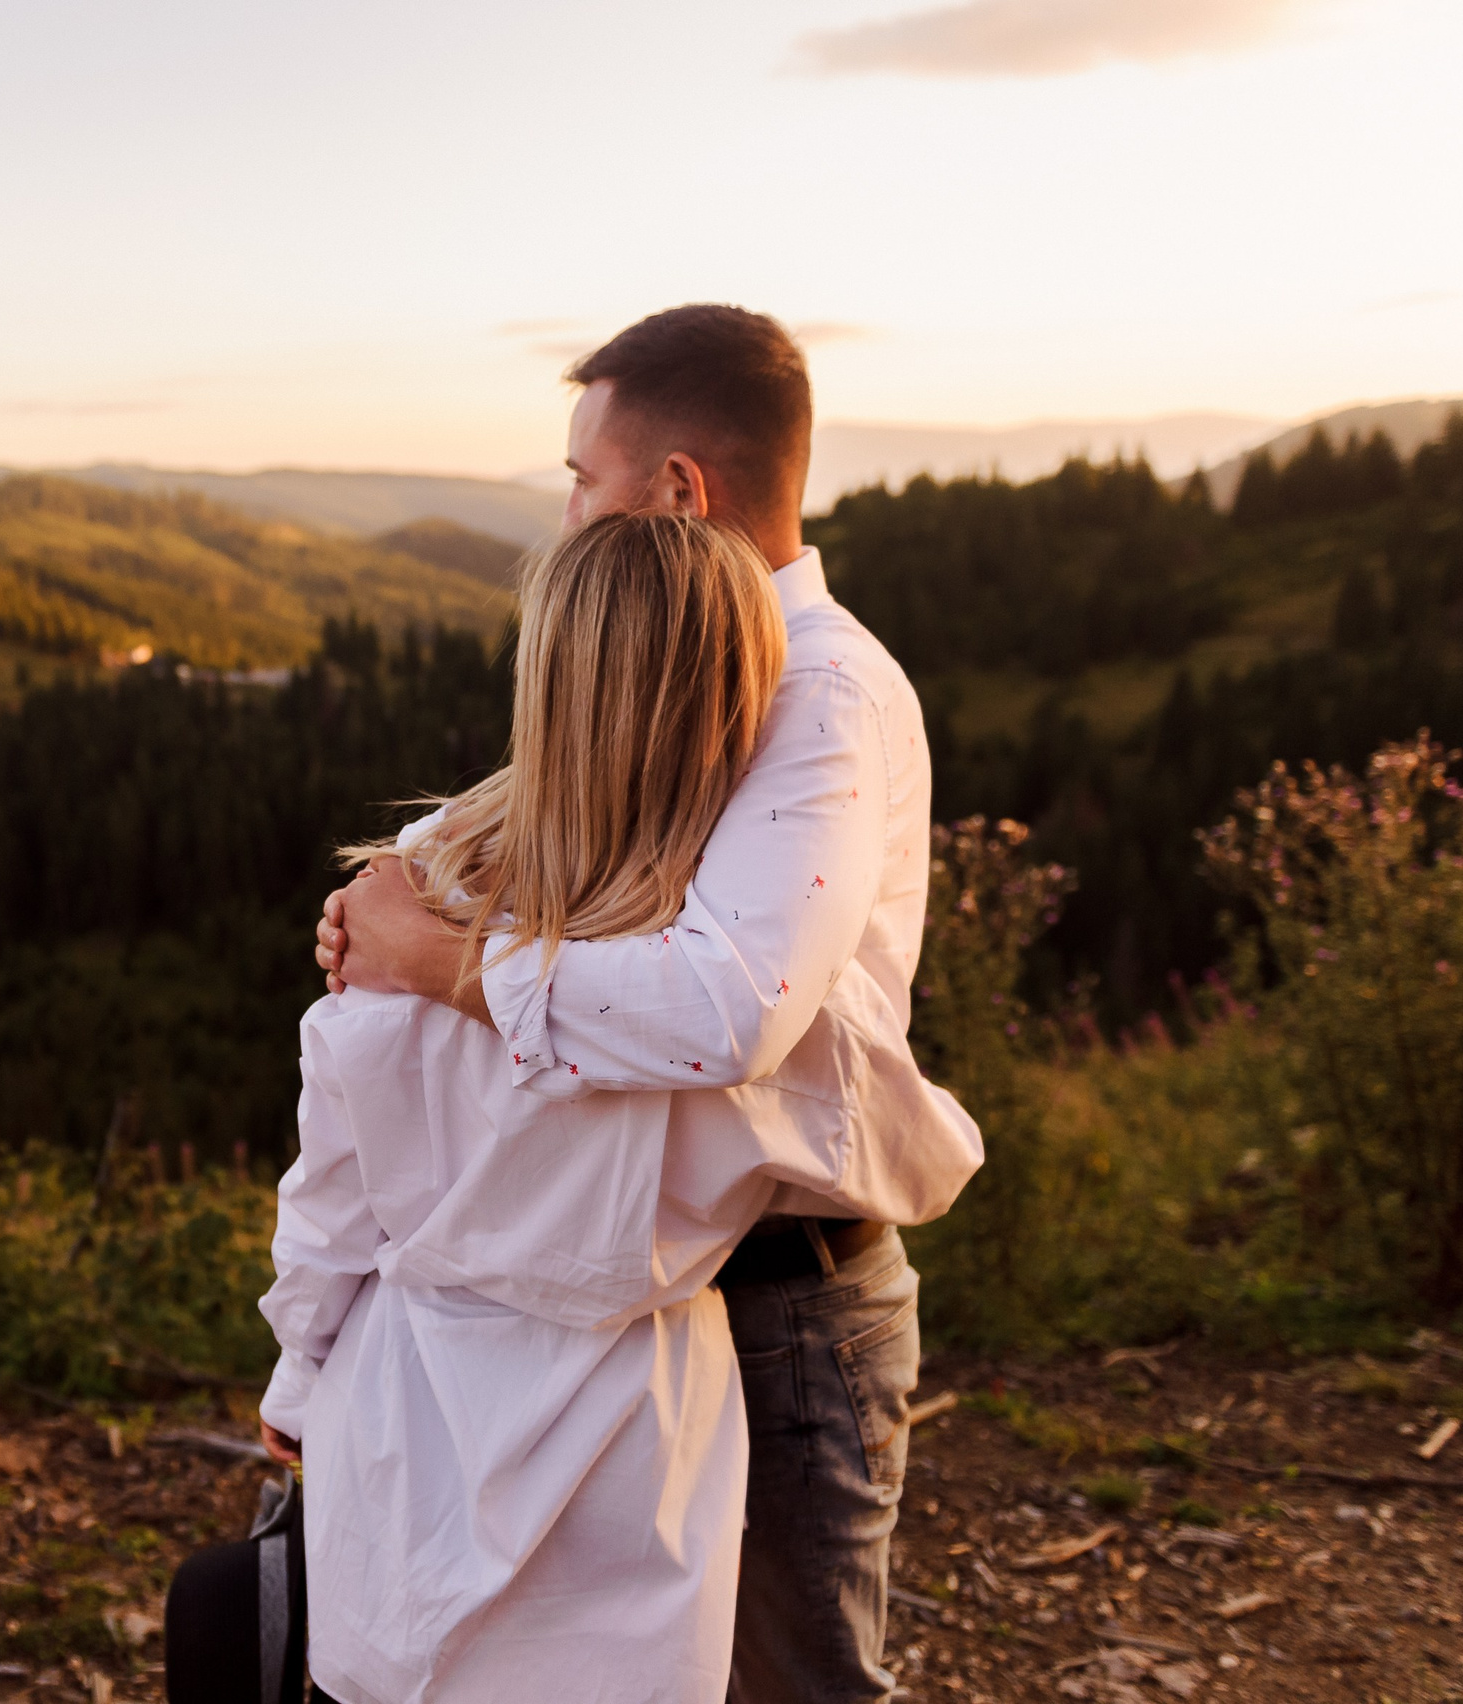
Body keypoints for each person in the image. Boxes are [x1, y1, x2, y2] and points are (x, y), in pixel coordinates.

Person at [315, 304, 975, 1701]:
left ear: (678, 488)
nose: (567, 512)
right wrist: (409, 904)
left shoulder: (821, 691)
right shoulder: (678, 675)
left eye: (582, 477)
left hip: (780, 1300)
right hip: (638, 1304)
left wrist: (436, 960)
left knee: (796, 1687)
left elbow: (726, 1008)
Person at [250, 511, 869, 1704]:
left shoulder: (408, 923)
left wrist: (296, 1380)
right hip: (638, 1426)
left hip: (411, 1396)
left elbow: (329, 1209)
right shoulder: (711, 998)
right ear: (741, 702)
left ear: (544, 679)